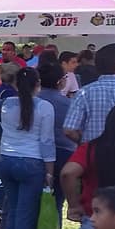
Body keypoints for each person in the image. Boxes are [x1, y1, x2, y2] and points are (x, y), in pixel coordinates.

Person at [0, 67, 55, 229]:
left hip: (7, 159)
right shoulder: (45, 107)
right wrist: (50, 171)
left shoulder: (4, 103)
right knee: (26, 213)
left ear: (15, 84)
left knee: (14, 210)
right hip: (32, 162)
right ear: (37, 84)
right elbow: (47, 141)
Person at [36, 62, 77, 217]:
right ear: (60, 81)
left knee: (32, 200)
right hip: (62, 153)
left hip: (35, 152)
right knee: (56, 201)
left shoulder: (31, 101)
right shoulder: (68, 104)